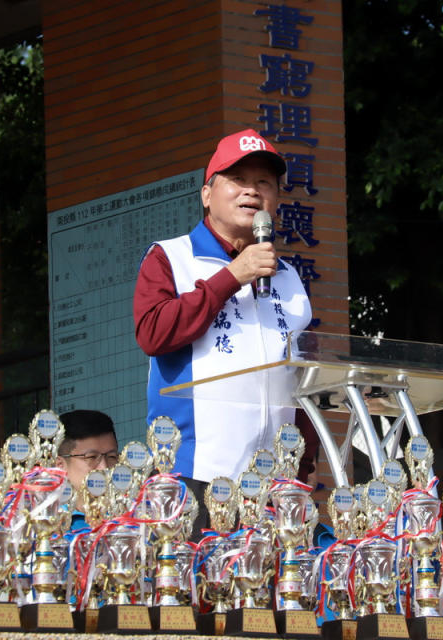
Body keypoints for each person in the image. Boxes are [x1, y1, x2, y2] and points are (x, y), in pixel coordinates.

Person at [133, 128, 316, 512]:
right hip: (193, 474)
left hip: (276, 484)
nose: (252, 191)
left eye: (264, 182)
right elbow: (152, 333)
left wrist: (306, 462)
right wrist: (232, 277)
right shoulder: (170, 258)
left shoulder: (287, 277)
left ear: (276, 201)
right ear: (206, 194)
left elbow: (302, 379)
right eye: (237, 180)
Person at [55, 409, 119, 524]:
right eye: (92, 457)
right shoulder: (48, 521)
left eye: (111, 457)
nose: (104, 467)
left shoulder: (132, 516)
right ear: (60, 466)